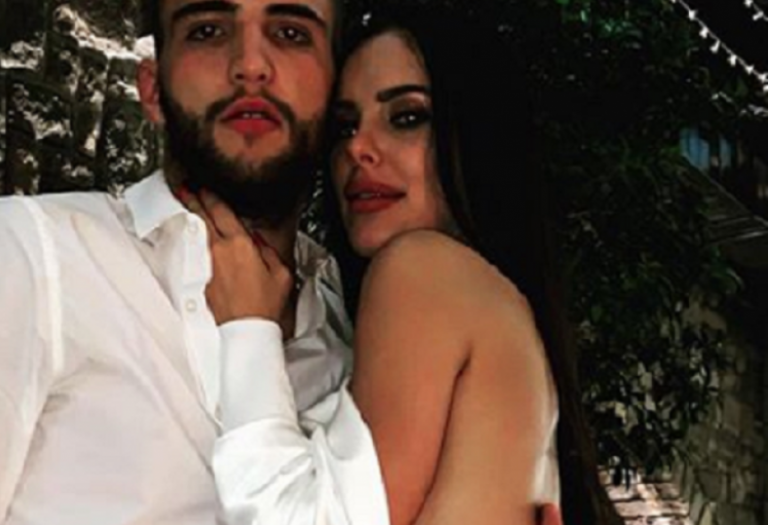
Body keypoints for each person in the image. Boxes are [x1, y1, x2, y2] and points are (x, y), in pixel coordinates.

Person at [0, 0, 567, 524]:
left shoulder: (359, 316)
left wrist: (249, 331)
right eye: (208, 29)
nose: (250, 63)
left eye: (290, 31)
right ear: (152, 86)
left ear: (327, 82)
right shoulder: (32, 259)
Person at [184, 3, 620, 525]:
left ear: (477, 134)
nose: (358, 149)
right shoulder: (497, 309)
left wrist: (247, 327)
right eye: (344, 127)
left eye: (407, 117)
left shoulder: (423, 270)